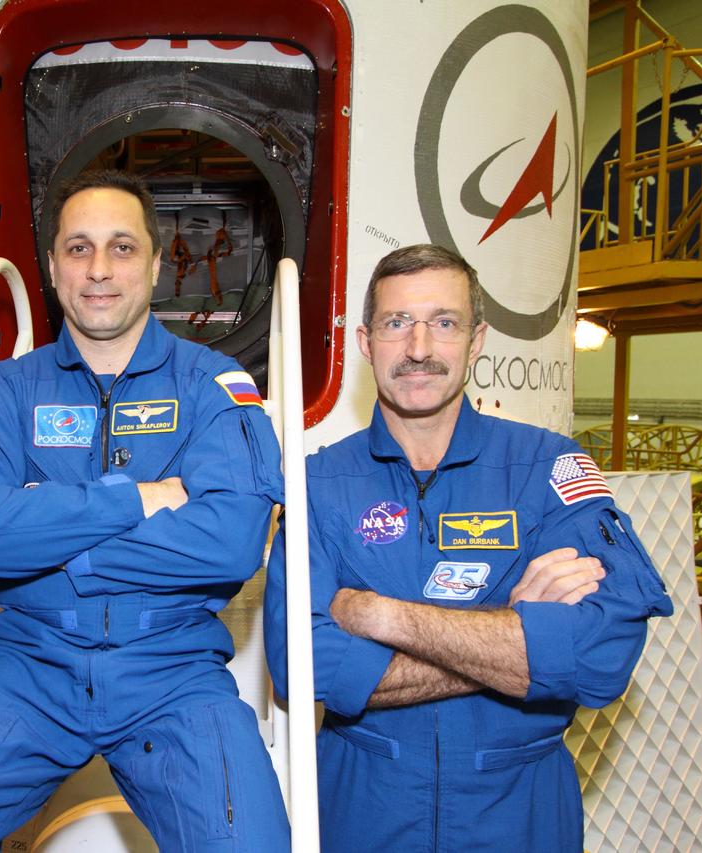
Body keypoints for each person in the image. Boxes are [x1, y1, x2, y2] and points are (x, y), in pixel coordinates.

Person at [0, 170, 290, 851]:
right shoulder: (5, 391)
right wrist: (137, 499)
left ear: (156, 263)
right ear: (52, 267)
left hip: (172, 670)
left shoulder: (211, 385)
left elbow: (230, 542)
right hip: (28, 668)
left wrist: (51, 539)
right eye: (79, 248)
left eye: (122, 247)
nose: (99, 268)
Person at [264, 243, 674, 851]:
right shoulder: (317, 484)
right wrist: (514, 638)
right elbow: (302, 666)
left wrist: (381, 615)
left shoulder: (549, 468)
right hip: (365, 812)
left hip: (520, 816)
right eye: (397, 322)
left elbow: (600, 655)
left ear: (477, 339)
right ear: (365, 343)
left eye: (444, 323)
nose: (419, 348)